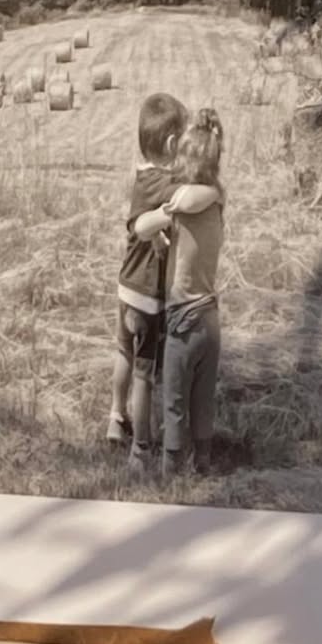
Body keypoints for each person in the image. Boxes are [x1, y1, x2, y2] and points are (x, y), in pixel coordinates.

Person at [109, 93, 218, 475]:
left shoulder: (143, 178)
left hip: (126, 287)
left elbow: (139, 224)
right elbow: (191, 198)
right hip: (148, 297)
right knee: (145, 375)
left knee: (123, 353)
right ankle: (140, 450)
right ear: (173, 145)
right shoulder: (167, 184)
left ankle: (115, 417)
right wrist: (215, 192)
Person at [135, 109, 225, 478]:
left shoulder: (181, 209)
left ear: (183, 162)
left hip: (183, 322)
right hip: (211, 320)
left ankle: (171, 471)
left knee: (173, 401)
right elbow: (202, 194)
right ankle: (203, 461)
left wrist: (163, 211)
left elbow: (141, 227)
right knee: (203, 400)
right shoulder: (217, 202)